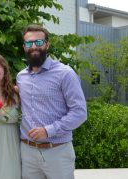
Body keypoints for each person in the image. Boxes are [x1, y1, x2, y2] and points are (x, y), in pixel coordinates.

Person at [17, 24, 87, 179]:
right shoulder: (21, 77)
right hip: (28, 152)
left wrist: (48, 130)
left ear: (47, 44)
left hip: (58, 151)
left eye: (38, 42)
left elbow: (80, 113)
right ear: (24, 47)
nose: (34, 46)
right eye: (29, 43)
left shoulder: (65, 73)